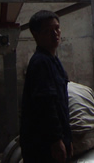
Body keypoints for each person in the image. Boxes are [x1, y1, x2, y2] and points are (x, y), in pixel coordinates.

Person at [20, 10, 72, 163]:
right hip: (42, 145)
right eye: (48, 31)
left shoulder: (53, 61)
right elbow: (45, 105)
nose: (55, 34)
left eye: (57, 28)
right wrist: (56, 140)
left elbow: (61, 105)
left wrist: (67, 138)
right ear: (36, 35)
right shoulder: (40, 63)